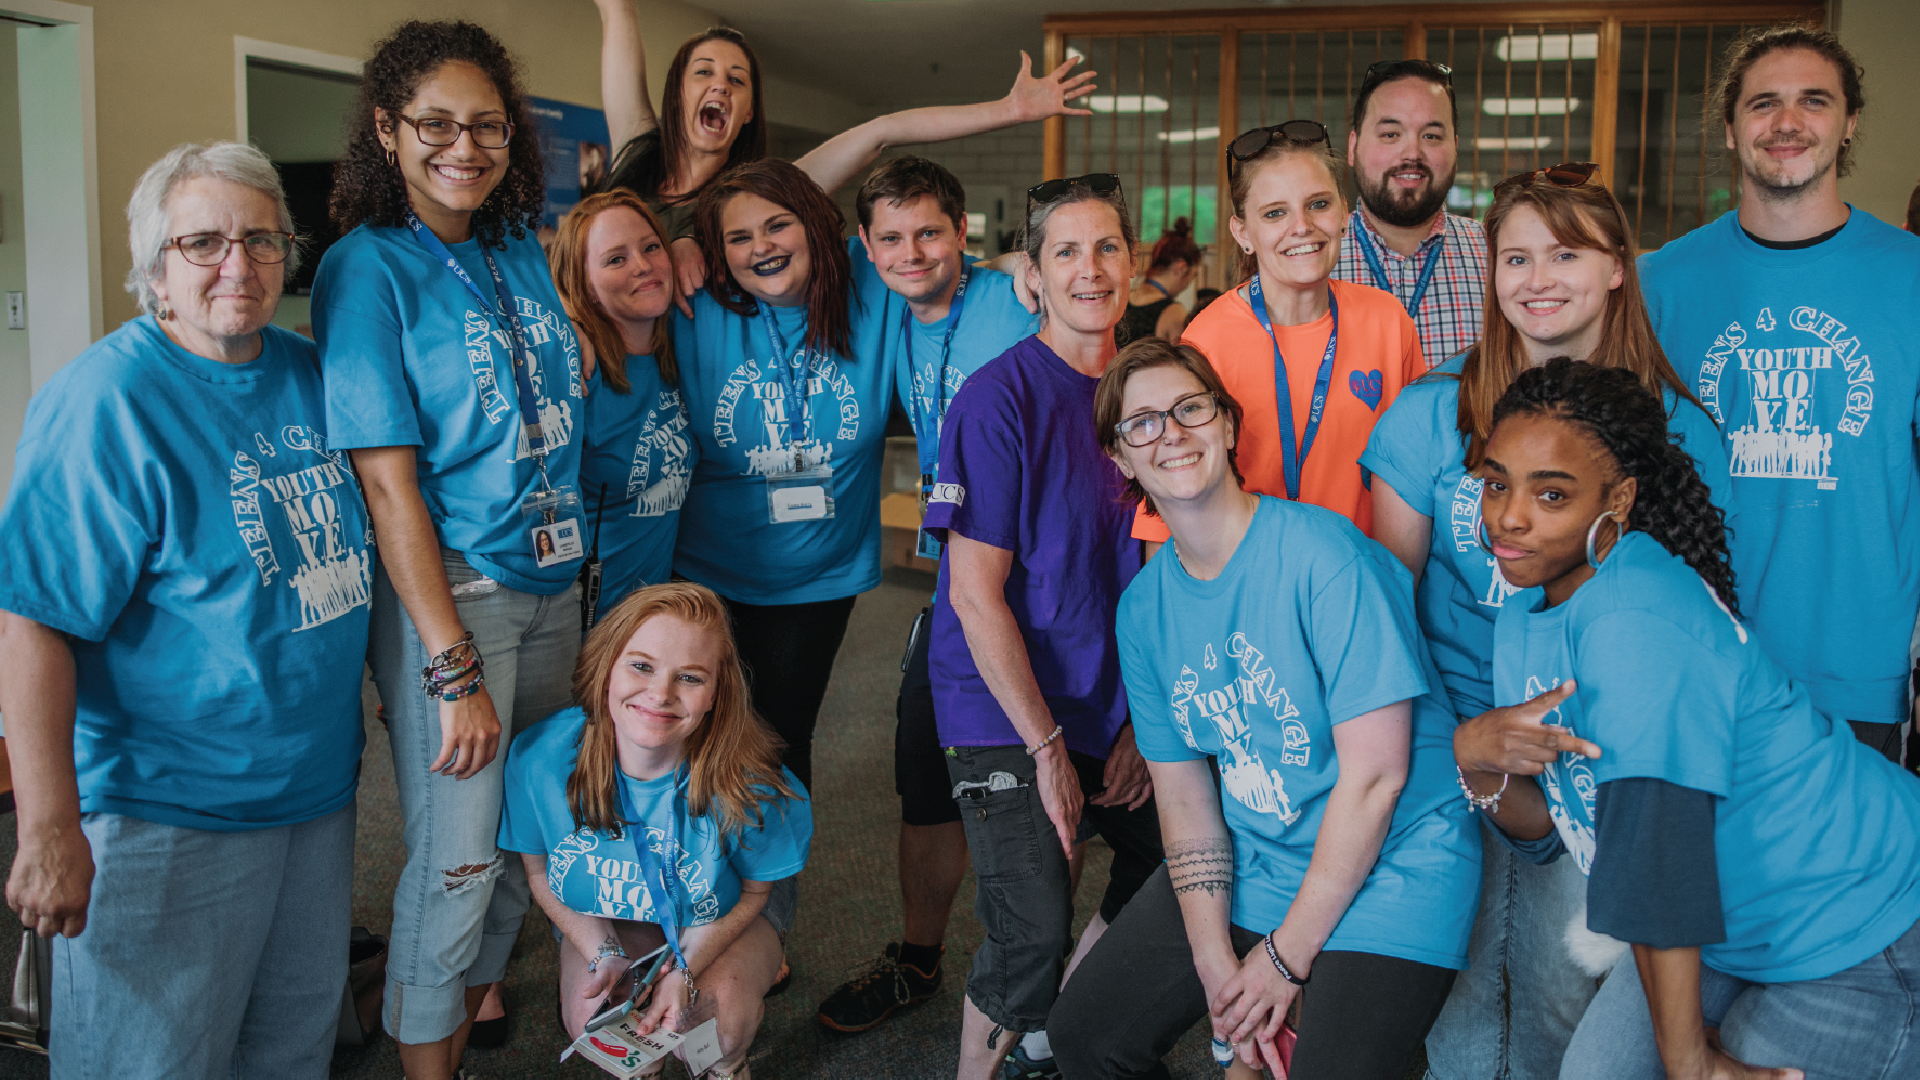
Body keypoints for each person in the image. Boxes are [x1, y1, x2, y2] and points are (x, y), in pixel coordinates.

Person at [0, 141, 370, 1078]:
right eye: (202, 243)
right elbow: (34, 620)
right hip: (168, 810)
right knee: (152, 1063)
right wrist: (49, 827)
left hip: (315, 796)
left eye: (260, 239)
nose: (236, 266)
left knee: (287, 1050)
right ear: (153, 271)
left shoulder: (309, 371)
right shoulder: (103, 403)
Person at [1360, 163, 1733, 1080]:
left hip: (1592, 766)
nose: (1537, 278)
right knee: (1454, 1007)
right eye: (1515, 256)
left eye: (1565, 253)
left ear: (1618, 268)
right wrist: (1454, 748)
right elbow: (1383, 613)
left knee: (1566, 1011)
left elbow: (1695, 633)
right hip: (1450, 749)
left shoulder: (1678, 431)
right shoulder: (1428, 413)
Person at [1456, 357, 1920, 1080]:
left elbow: (1657, 864)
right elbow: (1552, 830)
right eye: (1496, 484)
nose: (1510, 516)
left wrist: (1692, 1065)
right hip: (1727, 923)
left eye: (1552, 495)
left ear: (1621, 499)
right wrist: (1474, 751)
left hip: (1860, 918)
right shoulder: (1533, 608)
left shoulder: (1637, 621)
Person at [1049, 340, 1478, 1080]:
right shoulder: (1146, 610)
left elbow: (1376, 778)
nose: (1170, 434)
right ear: (1119, 459)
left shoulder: (1324, 557)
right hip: (1261, 854)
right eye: (1141, 424)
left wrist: (1282, 957)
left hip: (1395, 857)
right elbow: (1183, 800)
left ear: (1225, 425)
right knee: (1087, 1034)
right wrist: (1218, 962)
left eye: (1189, 409)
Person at [314, 21, 585, 1075]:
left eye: (486, 126)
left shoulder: (518, 249)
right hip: (456, 600)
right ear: (388, 130)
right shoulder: (365, 268)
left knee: (525, 833)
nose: (462, 146)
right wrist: (447, 663)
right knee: (459, 858)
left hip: (552, 584)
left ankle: (458, 1025)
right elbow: (388, 487)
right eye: (435, 124)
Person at [921, 174, 1164, 1080]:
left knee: (1182, 866)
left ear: (1133, 267)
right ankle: (1005, 1045)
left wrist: (1142, 722)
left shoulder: (1148, 393)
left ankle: (1058, 1034)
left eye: (1107, 248)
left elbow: (1164, 577)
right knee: (1030, 932)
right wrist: (1048, 750)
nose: (1090, 269)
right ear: (1032, 272)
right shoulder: (998, 398)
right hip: (1004, 709)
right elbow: (975, 597)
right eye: (1067, 251)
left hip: (1113, 699)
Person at [1638, 25, 1920, 763]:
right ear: (1731, 130)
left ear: (1849, 122)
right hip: (1694, 661)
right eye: (1764, 103)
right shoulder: (1658, 285)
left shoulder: (1912, 277)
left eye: (1814, 101)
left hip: (1859, 671)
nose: (1787, 122)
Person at [815, 156, 1038, 1036]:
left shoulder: (1014, 295)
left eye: (930, 233)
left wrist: (1041, 258)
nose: (913, 253)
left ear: (962, 234)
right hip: (954, 582)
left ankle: (1042, 972)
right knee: (927, 771)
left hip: (1039, 577)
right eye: (892, 237)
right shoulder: (875, 301)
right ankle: (918, 956)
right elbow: (775, 205)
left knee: (1048, 771)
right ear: (866, 247)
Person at [499, 582, 811, 1080]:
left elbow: (756, 892)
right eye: (641, 666)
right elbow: (539, 874)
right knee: (603, 1027)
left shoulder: (754, 783)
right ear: (607, 669)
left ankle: (727, 1065)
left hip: (722, 912)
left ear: (716, 694)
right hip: (612, 917)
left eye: (689, 677)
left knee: (710, 1030)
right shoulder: (540, 760)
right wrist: (604, 953)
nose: (660, 694)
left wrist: (684, 973)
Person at [592, 0, 1095, 299]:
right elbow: (618, 14)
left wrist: (1010, 110)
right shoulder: (636, 154)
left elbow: (883, 130)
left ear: (747, 111)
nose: (719, 85)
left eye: (736, 79)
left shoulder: (762, 196)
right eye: (703, 72)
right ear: (676, 90)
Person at [672, 157, 895, 793]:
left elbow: (942, 269)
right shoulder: (697, 304)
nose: (761, 247)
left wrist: (1026, 269)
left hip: (820, 581)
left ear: (815, 224)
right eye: (738, 238)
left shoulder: (871, 287)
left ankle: (771, 892)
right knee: (690, 738)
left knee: (781, 742)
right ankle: (691, 888)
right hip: (708, 574)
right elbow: (602, 277)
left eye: (777, 225)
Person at [1132, 119, 1423, 555]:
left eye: (1318, 204)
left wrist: (1395, 595)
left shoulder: (1387, 321)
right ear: (1243, 233)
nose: (1301, 226)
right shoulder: (1206, 340)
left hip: (1361, 588)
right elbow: (1168, 506)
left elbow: (1412, 476)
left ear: (1345, 213)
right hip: (1248, 593)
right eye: (1274, 213)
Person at [550, 189, 695, 616]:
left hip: (653, 612)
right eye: (616, 259)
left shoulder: (682, 343)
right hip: (583, 618)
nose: (643, 265)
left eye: (651, 247)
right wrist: (561, 311)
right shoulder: (576, 370)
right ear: (586, 287)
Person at [1337, 59, 1487, 369]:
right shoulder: (1310, 261)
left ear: (1455, 148)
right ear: (1353, 147)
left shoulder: (1496, 255)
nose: (1411, 154)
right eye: (1391, 134)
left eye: (1431, 136)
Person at [1117, 217, 1200, 344]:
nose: (1189, 284)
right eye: (1193, 276)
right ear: (1182, 267)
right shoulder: (1174, 313)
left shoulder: (1121, 298)